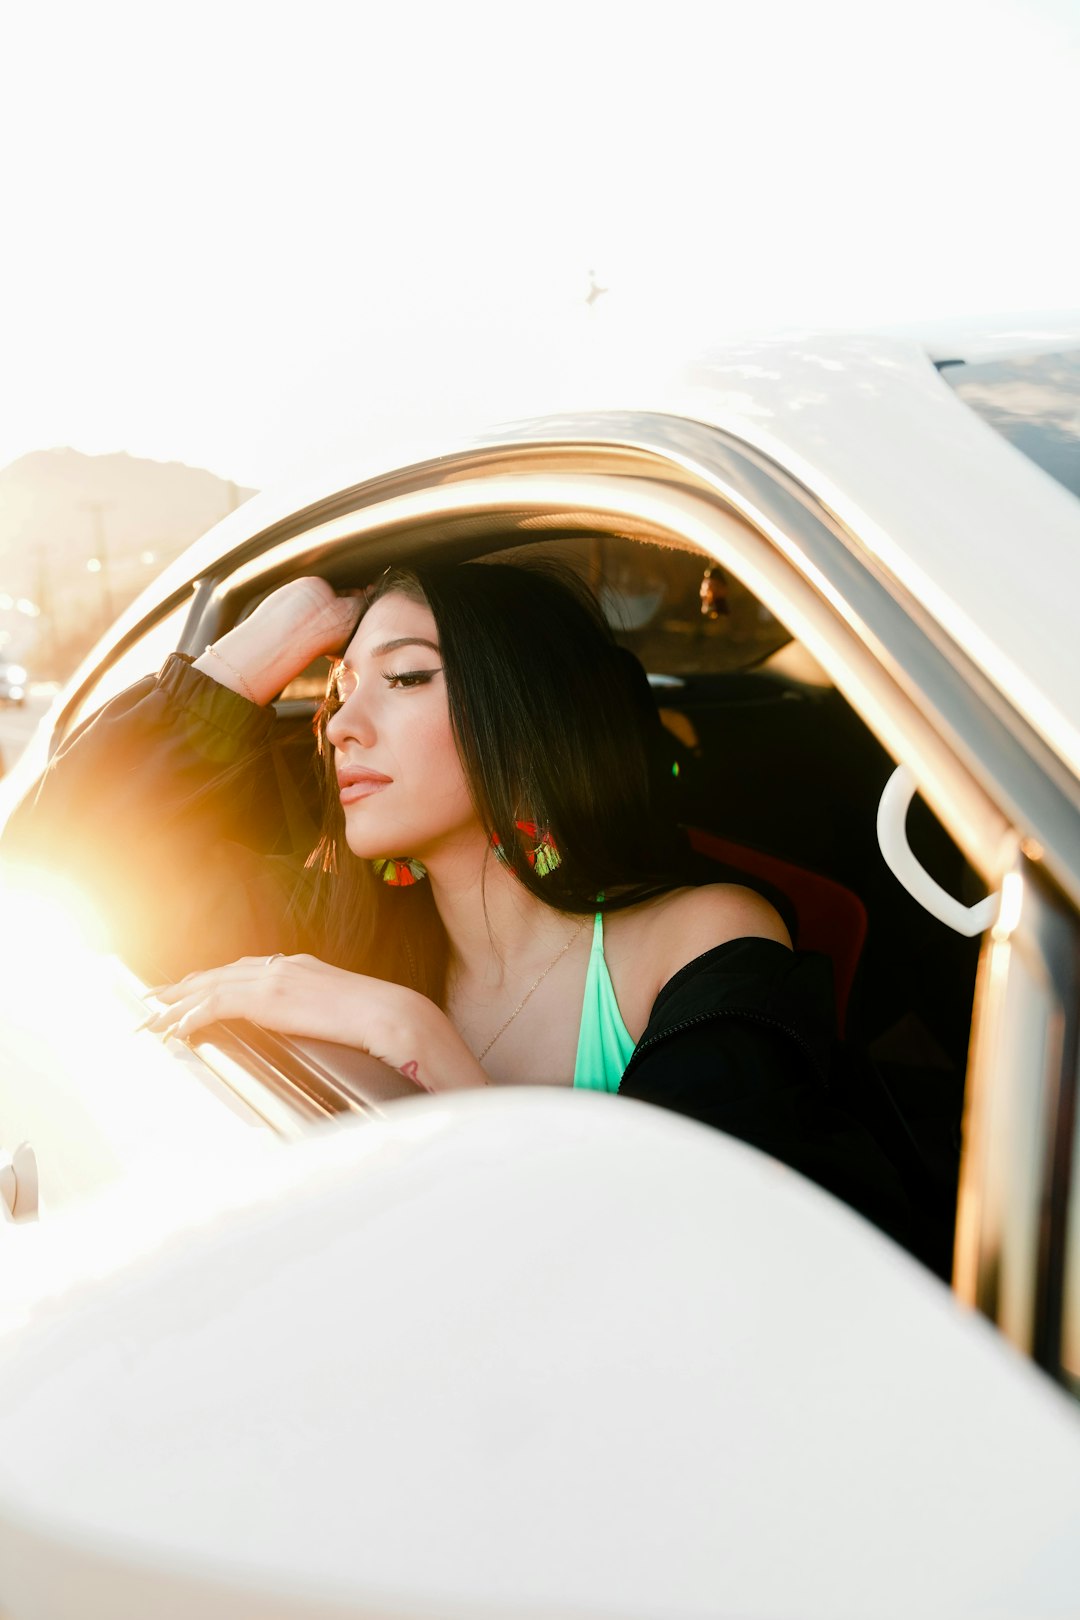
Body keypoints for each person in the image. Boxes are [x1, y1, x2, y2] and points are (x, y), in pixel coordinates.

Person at [3, 559, 913, 1241]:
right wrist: (271, 641)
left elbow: (676, 1263)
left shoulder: (693, 940)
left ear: (519, 709)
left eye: (404, 679)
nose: (343, 726)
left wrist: (418, 1040)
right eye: (337, 689)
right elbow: (48, 866)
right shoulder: (334, 928)